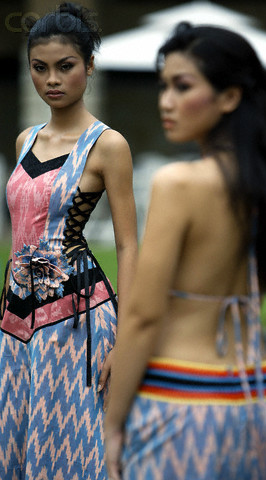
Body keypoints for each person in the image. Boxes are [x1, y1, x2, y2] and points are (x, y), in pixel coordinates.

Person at [104, 22, 266, 480]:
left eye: (183, 86)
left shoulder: (177, 183)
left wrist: (112, 424)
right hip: (261, 406)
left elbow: (143, 315)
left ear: (229, 97)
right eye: (163, 86)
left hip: (178, 406)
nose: (165, 101)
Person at [0, 2, 137, 479]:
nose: (51, 80)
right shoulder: (25, 139)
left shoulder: (107, 145)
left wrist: (126, 341)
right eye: (40, 68)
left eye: (65, 67)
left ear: (89, 66)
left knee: (71, 446)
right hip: (15, 319)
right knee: (16, 436)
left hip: (76, 320)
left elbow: (129, 245)